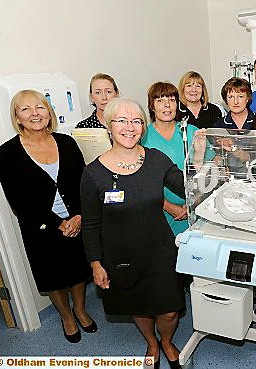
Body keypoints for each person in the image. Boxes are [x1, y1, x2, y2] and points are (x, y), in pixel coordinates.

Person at [80, 98, 188, 369]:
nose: (130, 127)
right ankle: (152, 343)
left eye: (137, 121)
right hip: (121, 255)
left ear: (143, 126)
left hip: (160, 250)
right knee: (139, 306)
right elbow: (91, 224)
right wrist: (95, 264)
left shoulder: (156, 159)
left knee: (170, 308)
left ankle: (166, 340)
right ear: (108, 124)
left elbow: (188, 187)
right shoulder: (93, 174)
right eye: (122, 120)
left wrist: (214, 175)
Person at [0, 90, 96, 344]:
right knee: (53, 275)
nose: (34, 114)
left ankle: (81, 310)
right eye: (26, 109)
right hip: (39, 228)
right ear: (17, 117)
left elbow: (84, 182)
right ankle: (66, 316)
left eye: (39, 107)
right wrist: (58, 223)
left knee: (77, 270)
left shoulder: (67, 142)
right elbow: (18, 199)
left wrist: (79, 216)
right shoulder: (7, 153)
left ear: (48, 111)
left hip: (76, 220)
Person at [142, 82, 198, 236]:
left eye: (172, 100)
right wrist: (168, 206)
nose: (167, 105)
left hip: (194, 211)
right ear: (152, 106)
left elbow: (206, 172)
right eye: (160, 100)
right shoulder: (142, 136)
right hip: (159, 212)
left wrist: (194, 204)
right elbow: (141, 181)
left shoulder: (191, 132)